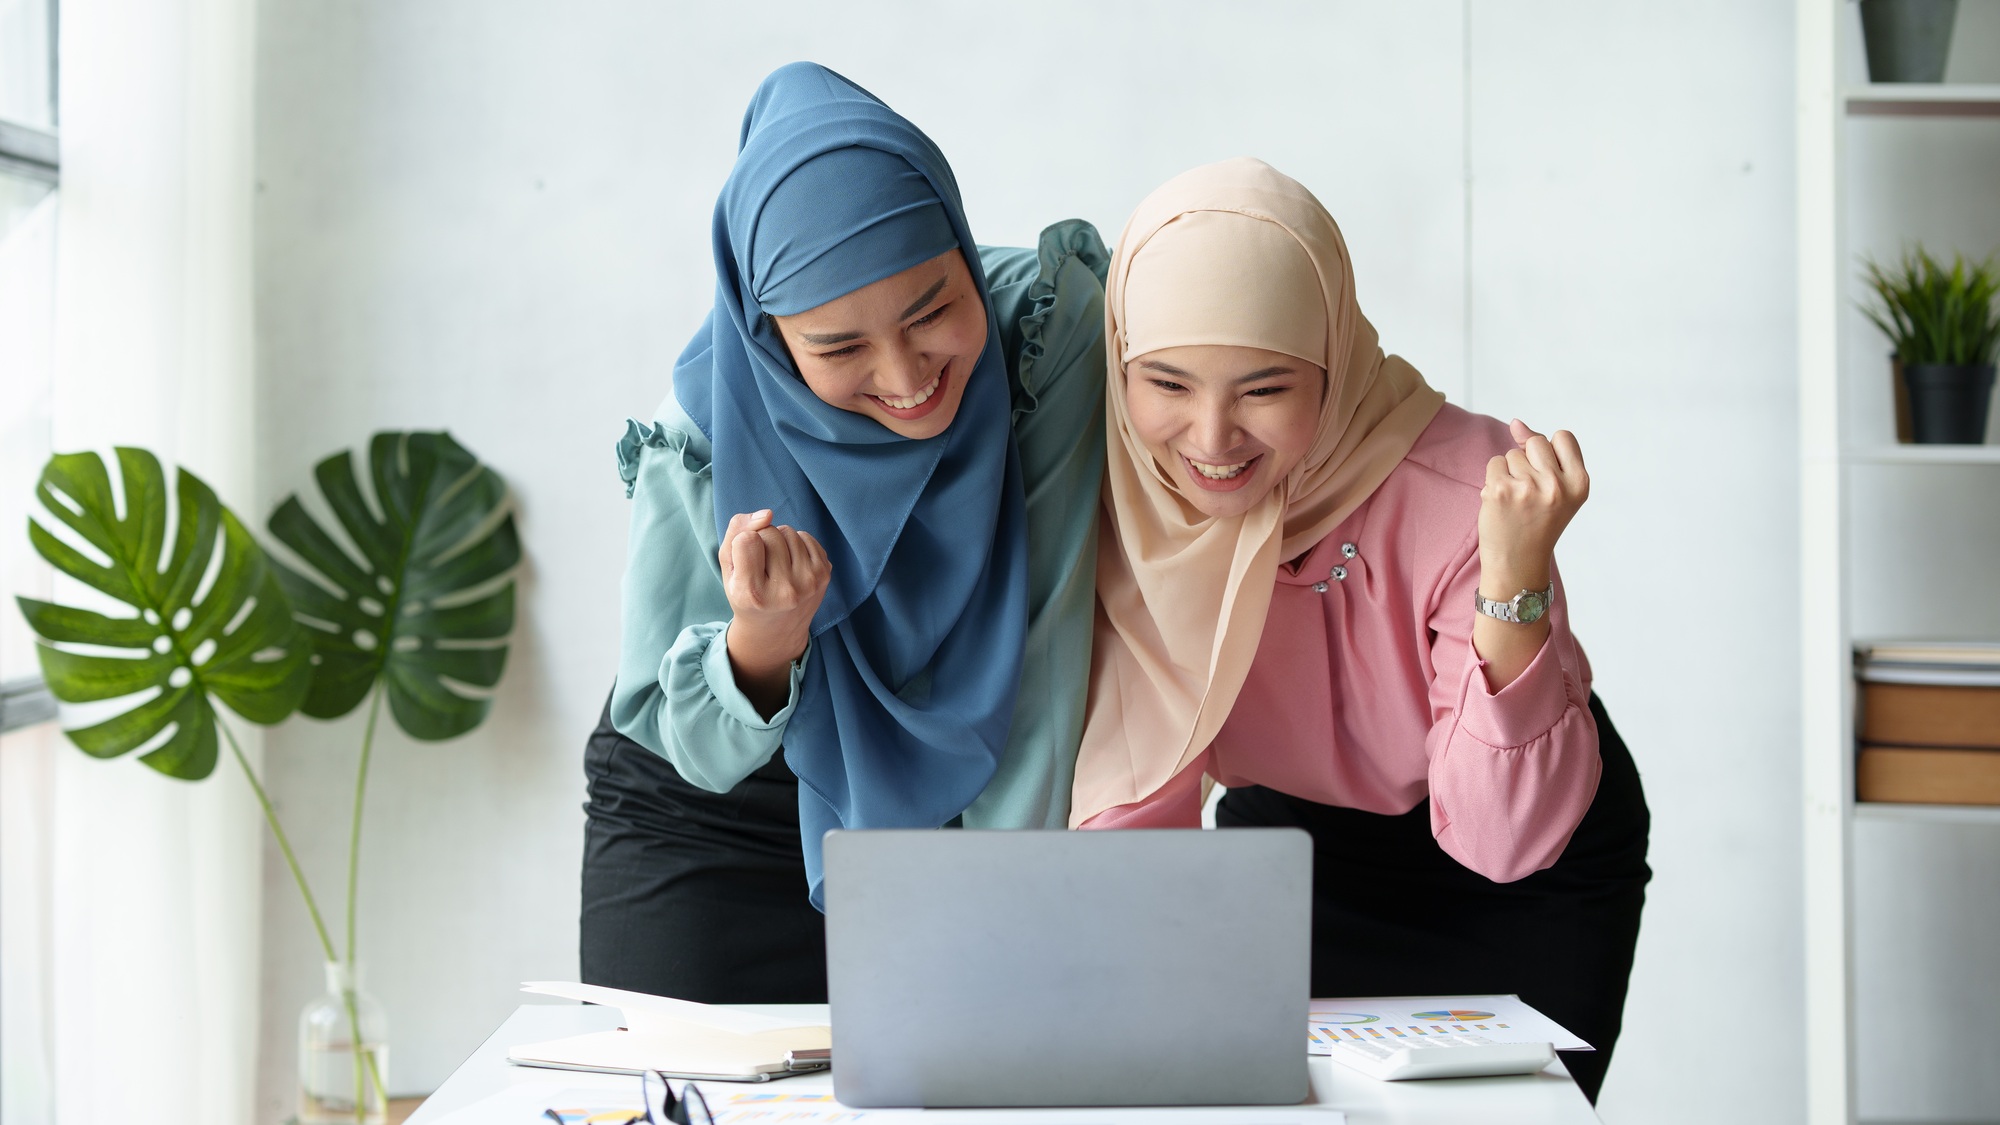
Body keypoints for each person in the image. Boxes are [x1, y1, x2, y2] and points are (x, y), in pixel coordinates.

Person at [1074, 158, 1650, 1103]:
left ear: (1333, 358)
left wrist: (1511, 576)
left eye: (1264, 388)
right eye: (1168, 382)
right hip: (1299, 844)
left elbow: (1506, 838)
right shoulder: (1132, 499)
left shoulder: (1471, 489)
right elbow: (1143, 792)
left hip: (1526, 848)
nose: (1212, 440)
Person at [580, 62, 1108, 1003]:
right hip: (717, 819)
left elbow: (1048, 640)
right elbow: (687, 743)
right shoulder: (699, 439)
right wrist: (764, 641)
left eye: (934, 309)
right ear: (769, 336)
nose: (907, 375)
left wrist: (1014, 910)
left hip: (955, 803)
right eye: (838, 347)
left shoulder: (1041, 336)